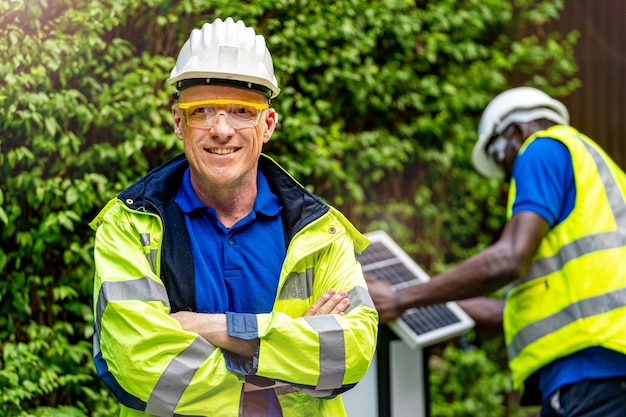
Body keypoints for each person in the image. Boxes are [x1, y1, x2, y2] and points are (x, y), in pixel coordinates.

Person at [90, 17, 378, 417]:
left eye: (242, 111)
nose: (221, 129)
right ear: (179, 122)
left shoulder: (321, 230)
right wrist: (281, 367)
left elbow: (349, 352)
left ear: (268, 124)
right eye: (202, 111)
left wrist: (215, 328)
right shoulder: (129, 226)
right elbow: (139, 364)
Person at [366, 86, 626, 416]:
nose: (505, 174)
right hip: (608, 369)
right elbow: (517, 314)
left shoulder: (542, 148)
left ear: (516, 131)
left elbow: (508, 260)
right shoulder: (601, 175)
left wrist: (402, 298)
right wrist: (437, 299)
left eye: (499, 157)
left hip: (591, 372)